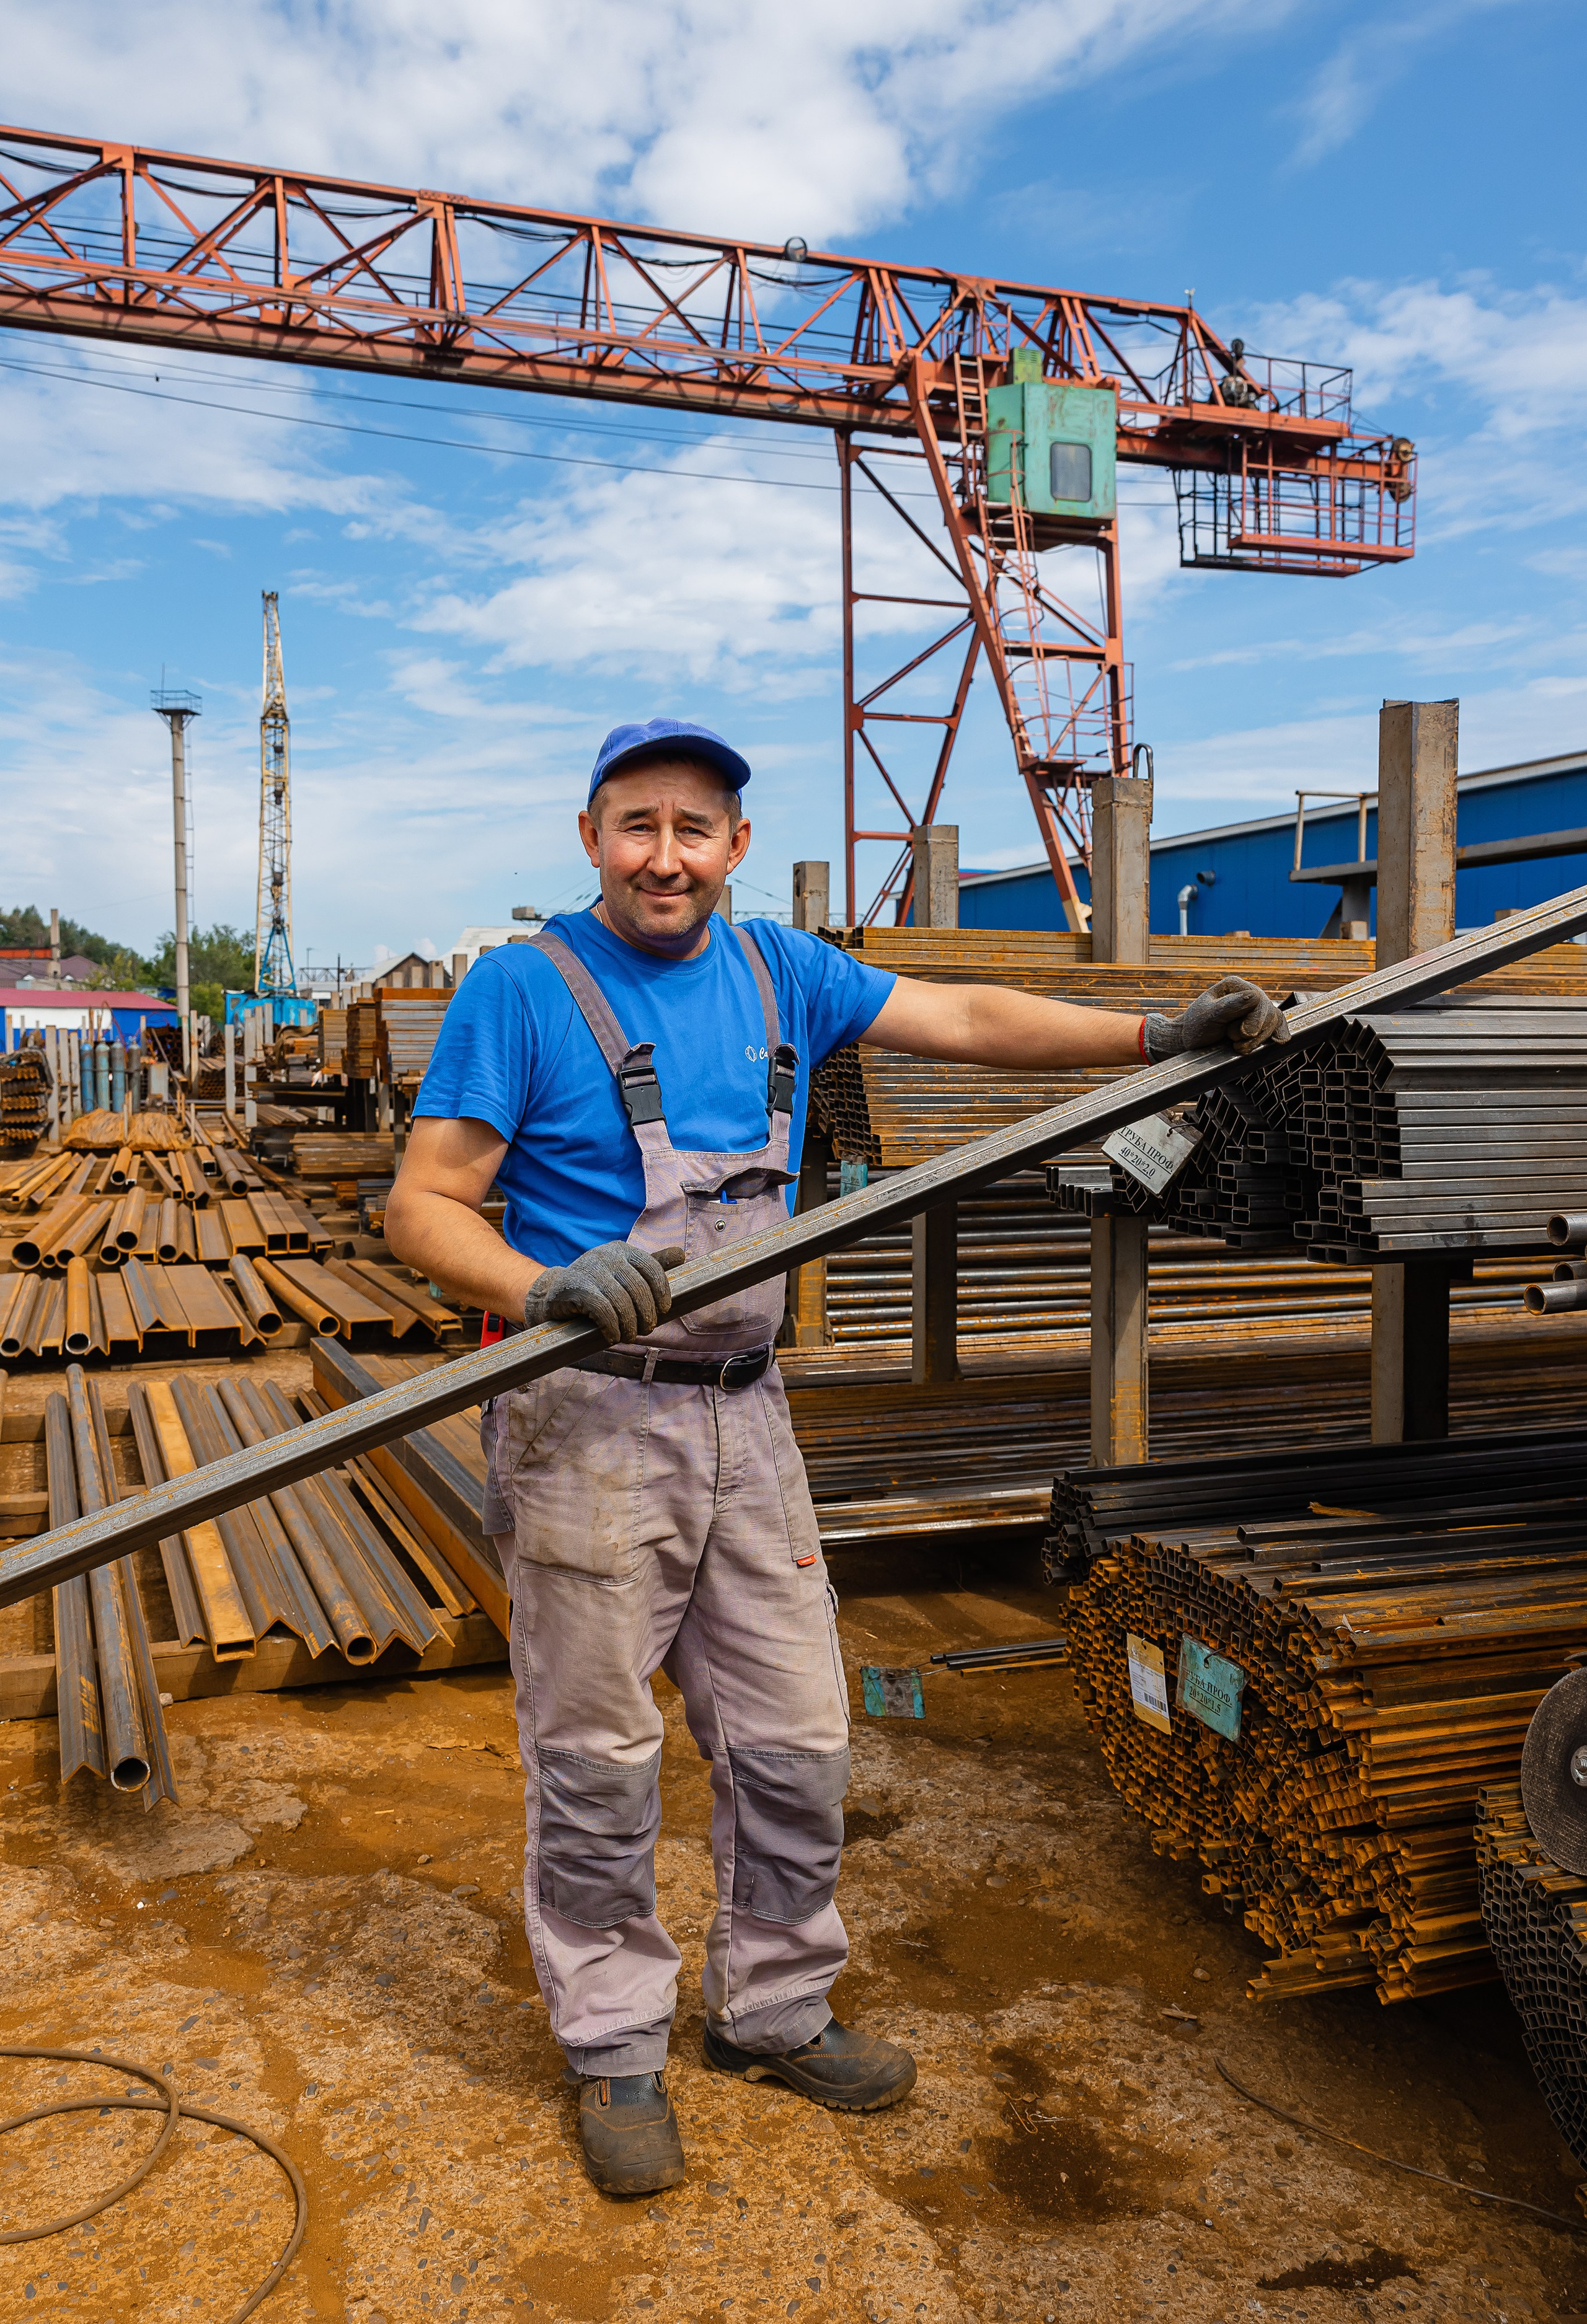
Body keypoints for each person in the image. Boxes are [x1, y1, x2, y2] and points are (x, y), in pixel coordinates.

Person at [386, 716, 1288, 2199]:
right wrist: (539, 1285)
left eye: (692, 828)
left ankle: (771, 2008)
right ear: (589, 836)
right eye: (635, 825)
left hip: (748, 1414)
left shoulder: (780, 972)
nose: (663, 855)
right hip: (590, 1417)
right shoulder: (520, 989)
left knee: (796, 1739)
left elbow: (969, 1018)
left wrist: (1152, 1037)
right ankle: (614, 2042)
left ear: (735, 844)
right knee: (596, 1759)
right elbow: (422, 1203)